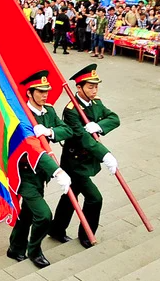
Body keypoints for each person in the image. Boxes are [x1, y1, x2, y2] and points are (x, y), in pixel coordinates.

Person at [8, 70, 77, 267]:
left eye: (46, 90)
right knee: (44, 216)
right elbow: (33, 148)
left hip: (41, 175)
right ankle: (34, 250)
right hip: (25, 174)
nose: (45, 94)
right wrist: (57, 171)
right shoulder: (22, 116)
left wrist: (50, 131)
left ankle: (14, 248)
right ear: (29, 93)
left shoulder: (49, 111)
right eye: (40, 91)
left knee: (28, 213)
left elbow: (68, 130)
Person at [49, 64, 119, 248]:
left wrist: (100, 126)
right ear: (79, 88)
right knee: (95, 198)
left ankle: (56, 229)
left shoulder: (97, 102)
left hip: (88, 160)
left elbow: (114, 118)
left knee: (70, 196)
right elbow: (82, 139)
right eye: (90, 87)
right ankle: (87, 234)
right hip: (75, 162)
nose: (94, 90)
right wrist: (105, 155)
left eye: (96, 86)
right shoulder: (71, 110)